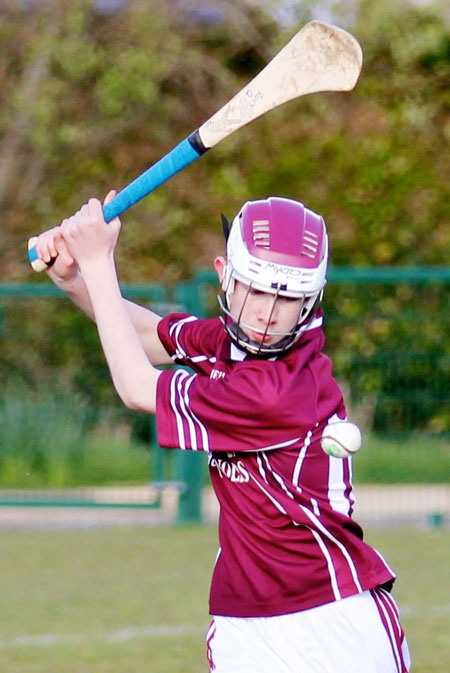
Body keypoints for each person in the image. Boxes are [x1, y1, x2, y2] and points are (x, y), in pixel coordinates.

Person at [35, 193, 411, 673]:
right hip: (243, 621)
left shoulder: (280, 389)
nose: (267, 313)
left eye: (288, 298)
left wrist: (98, 258)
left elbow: (136, 387)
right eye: (255, 290)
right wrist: (75, 280)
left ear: (311, 301)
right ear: (224, 274)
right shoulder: (232, 345)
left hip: (332, 622)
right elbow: (151, 338)